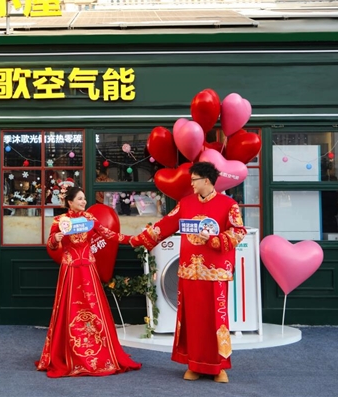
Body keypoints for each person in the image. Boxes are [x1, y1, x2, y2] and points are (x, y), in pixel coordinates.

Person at [128, 161, 246, 383]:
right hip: (189, 272)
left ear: (206, 180)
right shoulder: (185, 204)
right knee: (193, 319)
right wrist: (137, 239)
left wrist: (213, 239)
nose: (191, 184)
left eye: (194, 180)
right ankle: (194, 364)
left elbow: (238, 232)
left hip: (215, 273)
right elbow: (165, 225)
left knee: (216, 319)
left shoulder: (229, 205)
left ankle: (218, 366)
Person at [36, 186, 142, 378]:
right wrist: (55, 238)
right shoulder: (60, 221)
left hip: (88, 269)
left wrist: (134, 239)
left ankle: (98, 349)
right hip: (70, 269)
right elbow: (51, 244)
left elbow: (109, 234)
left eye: (84, 199)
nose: (83, 202)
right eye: (80, 199)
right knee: (69, 309)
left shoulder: (89, 219)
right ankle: (69, 353)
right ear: (70, 202)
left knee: (94, 307)